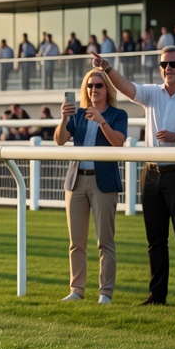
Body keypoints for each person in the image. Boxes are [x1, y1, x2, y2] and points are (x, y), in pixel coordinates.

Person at [93, 46, 175, 309]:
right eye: (163, 64)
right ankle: (157, 295)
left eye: (172, 64)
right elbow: (126, 87)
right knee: (155, 240)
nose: (167, 69)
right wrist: (107, 68)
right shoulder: (152, 93)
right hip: (152, 173)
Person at [55, 68, 128, 304]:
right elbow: (59, 140)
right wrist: (64, 118)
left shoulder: (118, 114)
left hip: (103, 182)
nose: (93, 90)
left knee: (105, 241)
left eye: (98, 85)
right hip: (76, 181)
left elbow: (118, 143)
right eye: (89, 85)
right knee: (76, 242)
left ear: (107, 89)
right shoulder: (77, 114)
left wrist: (102, 121)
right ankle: (77, 290)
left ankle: (105, 293)